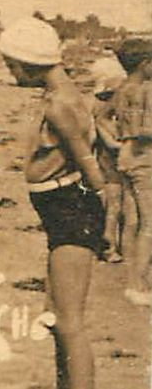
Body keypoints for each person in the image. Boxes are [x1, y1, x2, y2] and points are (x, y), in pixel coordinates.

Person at [0, 17, 108, 389]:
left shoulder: (60, 105)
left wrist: (105, 218)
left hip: (71, 211)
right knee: (57, 315)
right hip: (62, 212)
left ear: (29, 63)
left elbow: (88, 164)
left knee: (70, 322)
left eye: (12, 65)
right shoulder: (66, 96)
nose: (10, 73)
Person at [114, 38, 152, 307]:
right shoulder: (145, 90)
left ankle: (131, 278)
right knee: (149, 224)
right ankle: (138, 284)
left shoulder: (122, 89)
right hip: (144, 159)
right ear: (144, 64)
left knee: (132, 220)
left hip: (124, 158)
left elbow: (115, 122)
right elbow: (145, 131)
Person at [84, 56, 131, 264]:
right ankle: (109, 246)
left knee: (117, 206)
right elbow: (109, 141)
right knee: (115, 206)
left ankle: (113, 245)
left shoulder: (100, 102)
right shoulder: (105, 105)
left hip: (110, 159)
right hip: (111, 160)